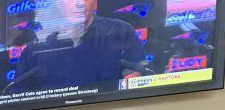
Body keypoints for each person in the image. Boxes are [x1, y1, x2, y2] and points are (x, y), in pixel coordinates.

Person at [10, 0, 147, 93]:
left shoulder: (121, 31)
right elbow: (17, 99)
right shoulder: (35, 49)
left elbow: (136, 85)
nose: (78, 4)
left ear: (95, 2)